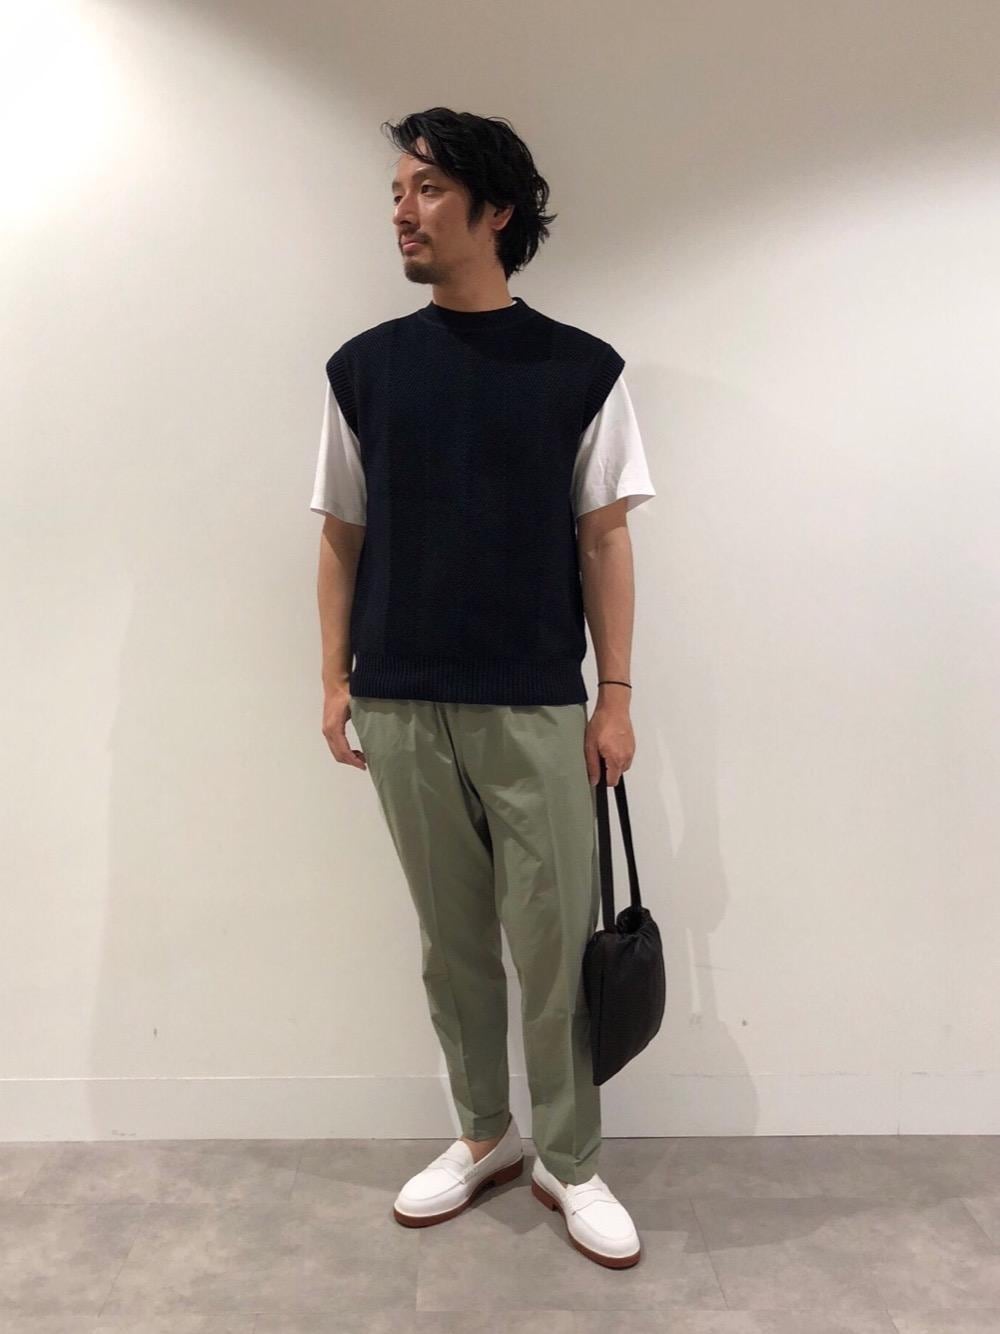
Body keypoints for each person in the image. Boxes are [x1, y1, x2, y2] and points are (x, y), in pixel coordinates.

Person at [311, 107, 655, 1268]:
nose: (400, 211)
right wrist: (333, 676)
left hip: (535, 699)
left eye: (425, 189)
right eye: (395, 190)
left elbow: (604, 538)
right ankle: (483, 1131)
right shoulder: (363, 368)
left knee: (552, 943)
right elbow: (341, 531)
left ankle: (569, 1156)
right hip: (400, 696)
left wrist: (614, 693)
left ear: (495, 210)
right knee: (449, 941)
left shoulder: (580, 370)